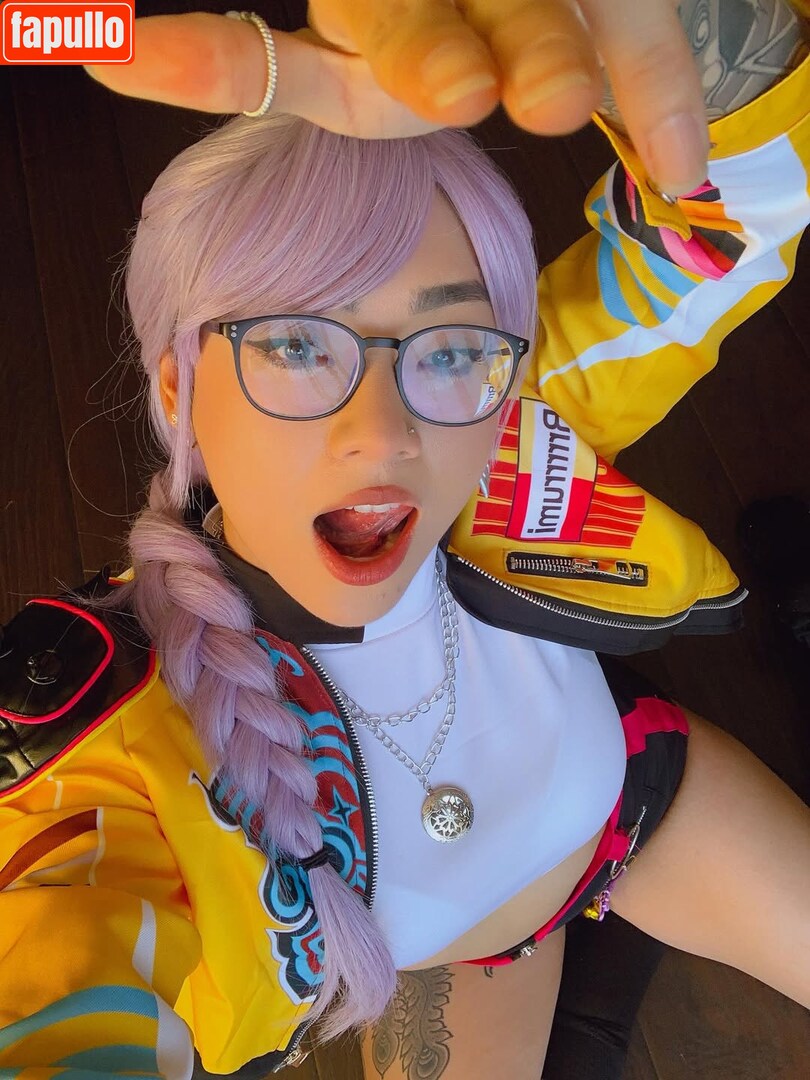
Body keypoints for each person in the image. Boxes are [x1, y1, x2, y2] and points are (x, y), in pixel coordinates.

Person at [1, 3, 809, 1078]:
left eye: (449, 345)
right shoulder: (120, 738)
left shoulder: (518, 413)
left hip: (643, 804)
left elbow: (724, 225)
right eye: (296, 344)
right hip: (469, 960)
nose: (384, 435)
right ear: (178, 386)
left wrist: (690, 26)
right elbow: (55, 949)